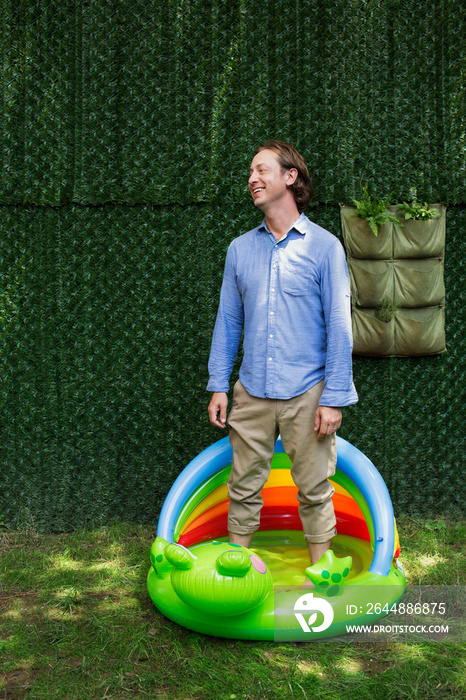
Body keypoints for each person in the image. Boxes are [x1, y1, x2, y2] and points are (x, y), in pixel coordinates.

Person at [207, 140, 358, 567]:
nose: (252, 179)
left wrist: (333, 397)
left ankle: (321, 575)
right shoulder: (239, 249)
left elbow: (340, 328)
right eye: (250, 174)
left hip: (308, 391)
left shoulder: (325, 248)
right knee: (242, 486)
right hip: (251, 390)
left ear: (290, 177)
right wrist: (219, 384)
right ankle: (236, 571)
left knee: (314, 488)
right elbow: (227, 323)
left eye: (261, 170)